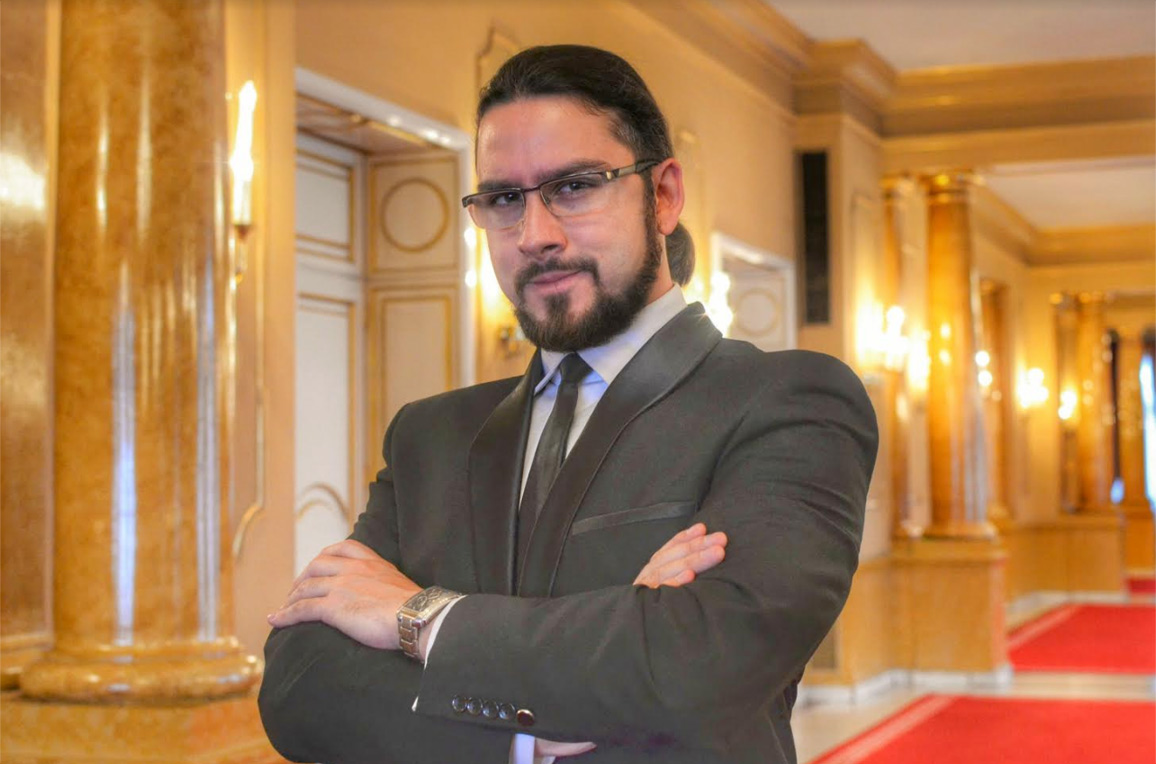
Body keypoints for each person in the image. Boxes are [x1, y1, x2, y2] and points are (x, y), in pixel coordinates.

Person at [258, 44, 877, 764]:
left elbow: (697, 667)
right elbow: (300, 687)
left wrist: (415, 615)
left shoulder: (789, 402)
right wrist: (525, 733)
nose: (535, 236)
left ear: (663, 195)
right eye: (503, 199)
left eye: (576, 186)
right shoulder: (430, 434)